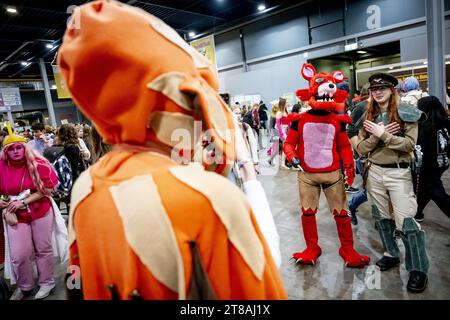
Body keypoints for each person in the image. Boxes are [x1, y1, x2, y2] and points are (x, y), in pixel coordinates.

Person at [58, 0, 287, 300]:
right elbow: (261, 285)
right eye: (197, 100)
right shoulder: (208, 199)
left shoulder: (86, 187)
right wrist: (248, 173)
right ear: (176, 97)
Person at [284, 63, 370, 268]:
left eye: (332, 85)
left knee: (341, 213)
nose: (327, 89)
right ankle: (312, 247)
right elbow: (289, 143)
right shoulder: (299, 120)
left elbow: (343, 147)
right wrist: (291, 155)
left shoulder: (338, 121)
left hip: (333, 175)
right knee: (307, 213)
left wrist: (349, 166)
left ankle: (347, 248)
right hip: (307, 175)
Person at [356, 72, 429, 293]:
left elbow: (408, 145)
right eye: (374, 89)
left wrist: (384, 135)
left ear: (392, 90)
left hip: (399, 173)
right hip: (374, 172)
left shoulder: (406, 112)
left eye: (382, 88)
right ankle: (391, 253)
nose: (377, 92)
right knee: (381, 218)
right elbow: (360, 149)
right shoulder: (366, 115)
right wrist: (378, 135)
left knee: (407, 222)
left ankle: (418, 268)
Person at [0, 123, 67, 300]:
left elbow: (48, 189)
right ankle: (24, 285)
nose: (15, 151)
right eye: (11, 148)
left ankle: (47, 282)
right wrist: (2, 202)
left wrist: (22, 201)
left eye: (18, 147)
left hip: (40, 210)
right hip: (16, 216)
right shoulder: (1, 167)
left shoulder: (38, 163)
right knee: (20, 254)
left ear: (24, 148)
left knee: (43, 249)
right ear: (5, 151)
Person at [413, 96, 450, 221]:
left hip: (428, 167)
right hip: (442, 163)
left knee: (438, 194)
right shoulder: (445, 123)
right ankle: (417, 212)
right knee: (424, 190)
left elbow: (420, 149)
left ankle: (416, 212)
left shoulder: (424, 127)